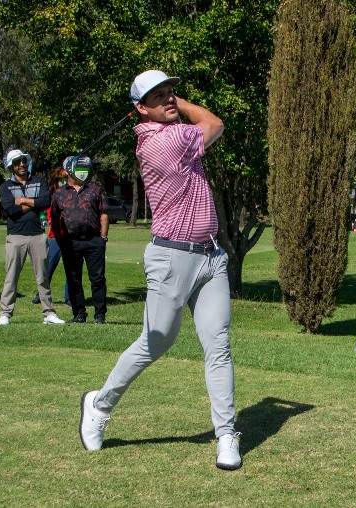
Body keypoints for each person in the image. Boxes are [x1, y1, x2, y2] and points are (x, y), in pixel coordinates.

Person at [79, 70, 241, 470]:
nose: (169, 99)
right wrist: (181, 104)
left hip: (211, 257)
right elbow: (215, 123)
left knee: (217, 345)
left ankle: (226, 434)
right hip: (171, 258)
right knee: (156, 343)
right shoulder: (159, 142)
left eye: (172, 91)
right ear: (140, 109)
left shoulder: (172, 132)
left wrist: (168, 101)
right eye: (158, 96)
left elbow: (206, 125)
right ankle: (99, 404)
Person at [0, 149, 64, 326]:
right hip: (15, 236)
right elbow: (11, 211)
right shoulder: (6, 187)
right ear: (11, 166)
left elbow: (45, 202)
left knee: (43, 276)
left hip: (37, 236)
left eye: (23, 161)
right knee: (11, 277)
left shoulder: (39, 181)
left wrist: (23, 201)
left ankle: (49, 312)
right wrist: (32, 202)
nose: (21, 164)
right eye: (17, 162)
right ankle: (5, 313)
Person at [51, 155, 108, 324]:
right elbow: (55, 219)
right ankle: (79, 314)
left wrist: (103, 237)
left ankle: (100, 315)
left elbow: (103, 214)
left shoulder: (95, 190)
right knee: (73, 279)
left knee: (97, 279)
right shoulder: (59, 194)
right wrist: (60, 239)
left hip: (94, 241)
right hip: (70, 242)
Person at [32, 166, 70, 307]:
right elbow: (45, 213)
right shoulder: (51, 195)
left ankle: (69, 298)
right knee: (48, 268)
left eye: (65, 178)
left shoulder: (71, 194)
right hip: (54, 237)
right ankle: (40, 295)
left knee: (70, 269)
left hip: (69, 237)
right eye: (61, 179)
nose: (64, 181)